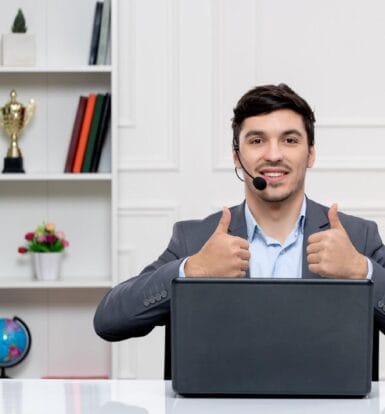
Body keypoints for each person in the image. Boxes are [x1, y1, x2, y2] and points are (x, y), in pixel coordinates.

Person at [94, 83, 385, 379]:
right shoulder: (195, 240)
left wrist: (362, 271)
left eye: (290, 140)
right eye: (257, 141)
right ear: (236, 156)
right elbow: (109, 321)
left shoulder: (357, 237)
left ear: (310, 154)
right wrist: (191, 271)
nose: (273, 155)